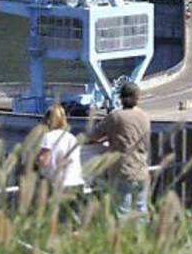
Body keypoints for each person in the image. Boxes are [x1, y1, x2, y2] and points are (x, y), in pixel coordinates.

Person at [89, 82, 150, 220]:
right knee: (141, 210)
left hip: (122, 170)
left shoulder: (115, 117)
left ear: (121, 98)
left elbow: (94, 134)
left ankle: (122, 240)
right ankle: (141, 239)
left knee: (122, 212)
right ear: (137, 98)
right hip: (141, 169)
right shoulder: (145, 117)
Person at [35, 104, 85, 188]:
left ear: (48, 120)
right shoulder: (72, 137)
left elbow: (43, 161)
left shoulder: (48, 137)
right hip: (77, 184)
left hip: (59, 186)